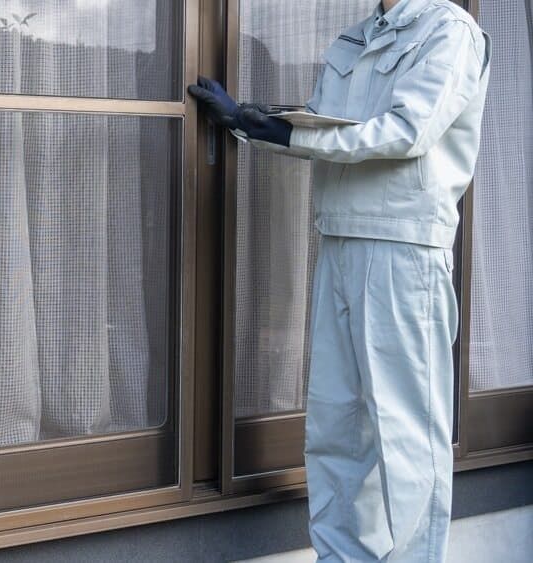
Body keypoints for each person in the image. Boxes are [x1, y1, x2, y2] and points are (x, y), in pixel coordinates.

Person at [189, 0, 490, 561]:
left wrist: (278, 130)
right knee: (335, 430)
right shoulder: (356, 36)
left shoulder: (449, 30)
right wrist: (256, 123)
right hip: (340, 240)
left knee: (406, 438)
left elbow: (405, 132)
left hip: (404, 249)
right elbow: (322, 124)